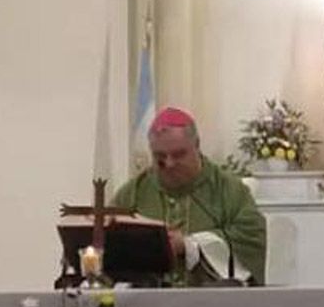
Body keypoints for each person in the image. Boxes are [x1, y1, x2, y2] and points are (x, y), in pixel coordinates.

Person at [113, 107, 267, 286]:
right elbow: (109, 245)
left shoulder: (229, 190)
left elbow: (251, 238)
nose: (169, 164)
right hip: (149, 305)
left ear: (197, 145)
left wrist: (191, 245)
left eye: (179, 154)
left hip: (213, 304)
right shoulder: (133, 193)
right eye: (160, 156)